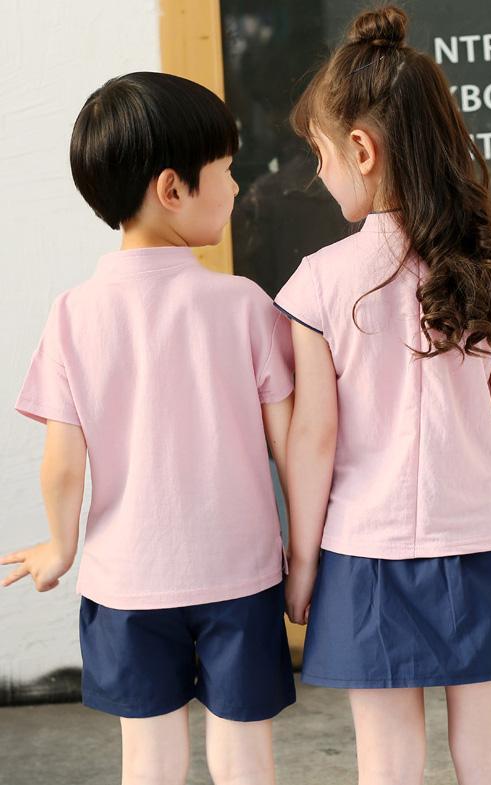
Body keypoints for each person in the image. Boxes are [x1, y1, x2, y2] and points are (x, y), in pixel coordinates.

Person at [275, 7, 491, 785]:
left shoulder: (318, 281)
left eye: (319, 155)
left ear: (361, 149)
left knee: (387, 763)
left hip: (367, 555)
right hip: (487, 545)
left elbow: (313, 438)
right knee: (490, 758)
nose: (318, 174)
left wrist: (302, 562)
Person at [1, 72, 295, 785]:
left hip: (127, 579)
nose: (236, 187)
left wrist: (60, 547)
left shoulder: (73, 313)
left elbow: (62, 461)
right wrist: (312, 550)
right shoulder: (244, 305)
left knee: (150, 758)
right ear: (173, 188)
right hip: (241, 572)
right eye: (225, 171)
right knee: (245, 754)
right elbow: (292, 447)